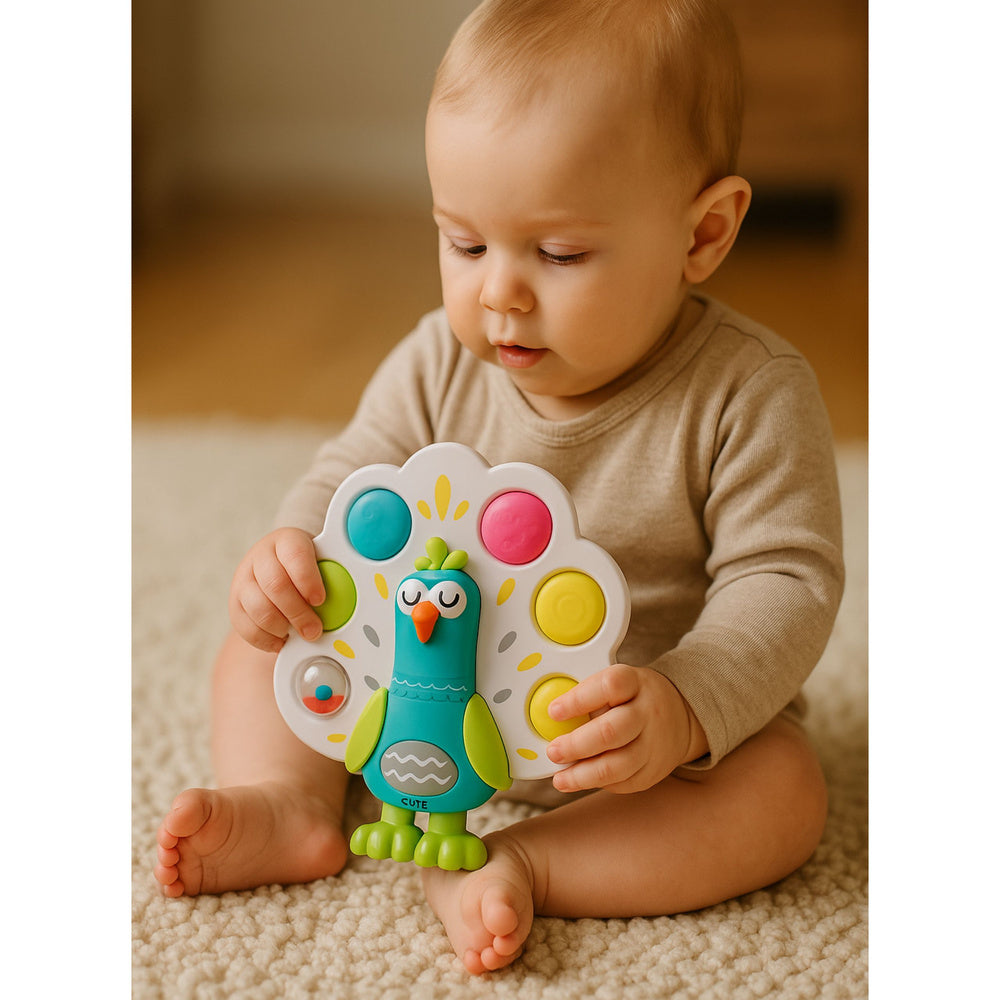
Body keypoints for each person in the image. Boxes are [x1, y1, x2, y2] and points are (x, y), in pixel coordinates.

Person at [154, 0, 844, 975]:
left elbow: (786, 583)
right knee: (263, 641)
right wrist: (292, 549)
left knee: (783, 792)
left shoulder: (748, 393)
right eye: (465, 243)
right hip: (406, 695)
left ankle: (526, 860)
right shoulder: (438, 359)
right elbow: (352, 473)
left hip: (615, 748)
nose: (498, 293)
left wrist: (684, 706)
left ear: (703, 232)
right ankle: (289, 803)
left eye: (558, 254)